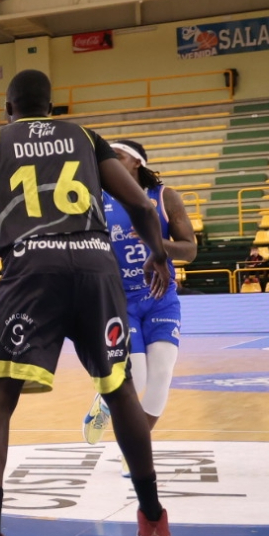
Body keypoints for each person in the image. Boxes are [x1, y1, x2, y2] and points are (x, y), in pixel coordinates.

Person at [0, 69, 173, 536]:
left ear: (9, 106)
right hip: (94, 265)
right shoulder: (86, 137)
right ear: (52, 105)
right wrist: (158, 256)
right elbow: (140, 202)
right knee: (121, 392)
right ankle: (153, 520)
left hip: (31, 269)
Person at [82, 139, 199, 447]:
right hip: (119, 299)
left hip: (161, 297)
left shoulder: (164, 197)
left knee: (162, 373)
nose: (107, 163)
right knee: (140, 377)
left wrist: (157, 246)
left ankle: (133, 447)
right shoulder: (96, 200)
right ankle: (105, 402)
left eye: (116, 156)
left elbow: (190, 250)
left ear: (136, 162)